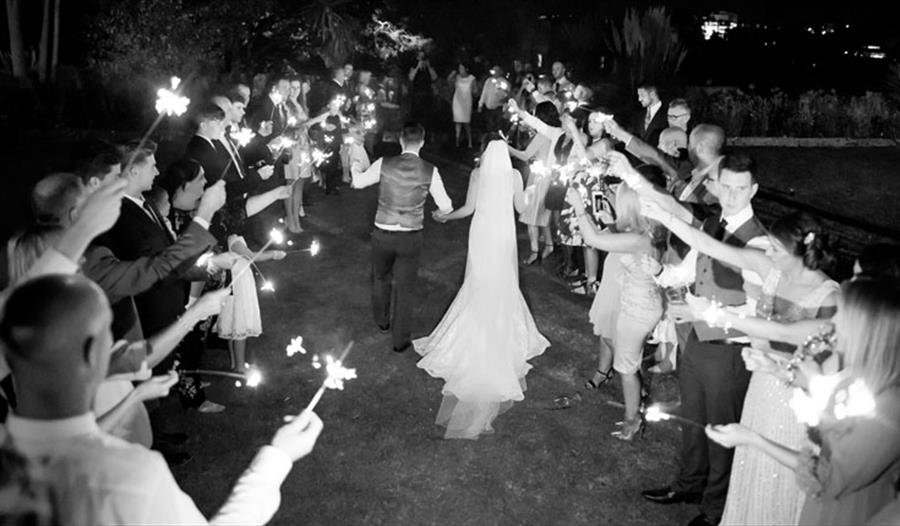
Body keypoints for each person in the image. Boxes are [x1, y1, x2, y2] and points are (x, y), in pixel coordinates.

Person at [1, 274, 324, 525]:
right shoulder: (129, 479)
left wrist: (137, 393)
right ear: (94, 354)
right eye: (110, 335)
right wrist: (277, 458)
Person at [645, 207, 840, 525]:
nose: (768, 253)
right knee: (750, 459)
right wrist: (662, 214)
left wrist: (713, 315)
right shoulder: (771, 270)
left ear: (801, 249)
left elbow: (791, 338)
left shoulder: (829, 296)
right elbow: (708, 245)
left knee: (779, 471)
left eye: (776, 248)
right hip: (761, 384)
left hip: (796, 398)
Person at [637, 153, 770, 526]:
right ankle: (689, 484)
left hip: (729, 351)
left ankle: (715, 510)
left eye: (739, 188)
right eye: (725, 186)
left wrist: (702, 314)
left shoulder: (759, 242)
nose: (731, 195)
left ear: (753, 190)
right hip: (696, 343)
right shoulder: (712, 224)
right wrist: (661, 271)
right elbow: (688, 270)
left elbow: (758, 312)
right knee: (692, 419)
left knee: (721, 431)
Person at [705, 277, 900, 526]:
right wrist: (776, 369)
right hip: (823, 505)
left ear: (868, 329)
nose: (832, 323)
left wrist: (754, 440)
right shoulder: (860, 374)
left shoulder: (891, 407)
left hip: (851, 512)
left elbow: (825, 478)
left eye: (843, 316)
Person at [417, 138, 550, 439]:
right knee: (501, 282)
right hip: (503, 235)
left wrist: (444, 215)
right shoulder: (514, 175)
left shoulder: (478, 174)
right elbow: (521, 208)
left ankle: (476, 324)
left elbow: (468, 209)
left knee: (479, 282)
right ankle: (500, 327)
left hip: (482, 233)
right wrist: (534, 190)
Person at [565, 165, 667, 439]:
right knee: (625, 359)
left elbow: (593, 239)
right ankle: (636, 400)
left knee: (626, 367)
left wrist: (579, 208)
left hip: (637, 309)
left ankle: (632, 420)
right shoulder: (650, 229)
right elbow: (613, 238)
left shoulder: (640, 238)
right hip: (641, 302)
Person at [351, 122, 453, 353]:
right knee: (405, 288)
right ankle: (400, 340)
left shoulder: (384, 163)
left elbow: (357, 182)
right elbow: (446, 205)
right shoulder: (430, 170)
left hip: (382, 232)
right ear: (422, 142)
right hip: (410, 236)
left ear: (400, 140)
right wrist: (439, 214)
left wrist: (356, 165)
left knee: (381, 278)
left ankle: (382, 321)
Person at [508, 101, 560, 264]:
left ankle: (534, 251)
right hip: (550, 177)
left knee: (530, 215)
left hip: (538, 178)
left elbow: (525, 155)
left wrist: (506, 147)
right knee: (542, 214)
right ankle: (549, 245)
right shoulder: (557, 133)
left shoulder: (543, 135)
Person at [449, 63, 476, 148]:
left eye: (462, 68)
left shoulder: (472, 78)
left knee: (466, 122)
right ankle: (457, 141)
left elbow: (474, 90)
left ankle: (470, 141)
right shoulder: (457, 77)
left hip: (467, 101)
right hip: (457, 101)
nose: (460, 70)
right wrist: (453, 74)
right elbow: (449, 81)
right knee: (458, 121)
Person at [408, 51, 438, 125]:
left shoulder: (429, 68)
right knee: (416, 115)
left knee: (427, 115)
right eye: (420, 57)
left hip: (427, 94)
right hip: (417, 94)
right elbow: (411, 78)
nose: (422, 60)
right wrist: (417, 67)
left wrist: (429, 66)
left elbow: (435, 78)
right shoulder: (414, 67)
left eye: (423, 58)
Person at [478, 65, 510, 134]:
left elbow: (508, 95)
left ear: (500, 72)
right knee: (489, 127)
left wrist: (504, 99)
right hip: (488, 108)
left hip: (498, 108)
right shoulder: (488, 81)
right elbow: (484, 93)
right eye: (494, 70)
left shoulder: (504, 82)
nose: (494, 72)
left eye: (496, 71)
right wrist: (480, 104)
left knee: (498, 126)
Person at [636, 82, 668, 148]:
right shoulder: (638, 115)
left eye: (642, 95)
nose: (639, 99)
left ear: (652, 94)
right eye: (638, 95)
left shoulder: (668, 113)